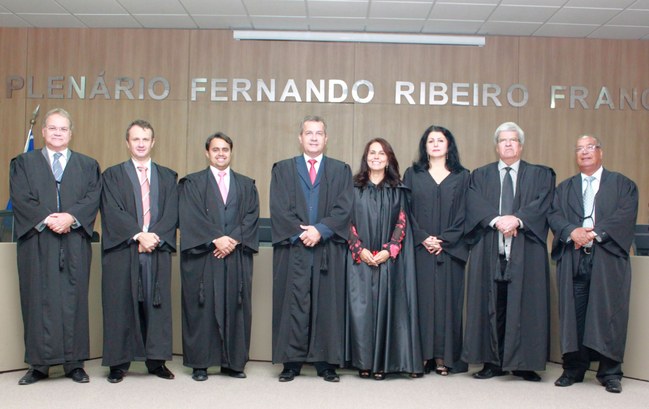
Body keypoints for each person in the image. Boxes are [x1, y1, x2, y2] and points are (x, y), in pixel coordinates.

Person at [10, 108, 101, 385]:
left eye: (63, 129)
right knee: (37, 300)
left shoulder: (88, 165)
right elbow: (21, 197)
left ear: (71, 133)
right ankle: (38, 365)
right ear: (43, 132)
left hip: (73, 241)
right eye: (52, 128)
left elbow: (92, 197)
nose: (58, 133)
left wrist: (70, 218)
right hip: (37, 241)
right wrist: (49, 219)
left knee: (74, 300)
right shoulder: (23, 163)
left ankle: (74, 363)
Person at [462, 122, 555, 382]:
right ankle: (493, 362)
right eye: (503, 140)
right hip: (491, 248)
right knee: (493, 304)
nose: (508, 144)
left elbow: (543, 202)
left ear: (521, 145)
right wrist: (496, 220)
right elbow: (474, 203)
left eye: (513, 140)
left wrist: (517, 219)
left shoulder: (540, 175)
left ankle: (524, 363)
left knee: (524, 305)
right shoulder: (480, 175)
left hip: (525, 249)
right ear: (496, 146)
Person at [549, 135, 638, 394]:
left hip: (607, 258)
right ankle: (573, 368)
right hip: (574, 259)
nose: (585, 152)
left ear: (601, 152)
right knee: (573, 315)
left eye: (590, 147)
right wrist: (571, 231)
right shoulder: (564, 188)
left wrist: (593, 233)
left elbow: (625, 214)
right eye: (579, 148)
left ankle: (610, 372)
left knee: (609, 313)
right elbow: (553, 215)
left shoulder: (623, 185)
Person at [270, 115, 353, 382]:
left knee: (326, 304)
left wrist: (321, 230)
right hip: (294, 249)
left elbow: (344, 208)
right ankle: (291, 363)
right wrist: (301, 233)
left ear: (326, 139)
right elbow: (279, 207)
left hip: (327, 248)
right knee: (292, 303)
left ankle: (325, 362)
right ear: (300, 137)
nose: (314, 137)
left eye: (319, 133)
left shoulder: (341, 170)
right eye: (309, 133)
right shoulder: (282, 169)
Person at [100, 119, 178, 383]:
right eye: (136, 139)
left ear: (153, 142)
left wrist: (153, 237)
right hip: (125, 249)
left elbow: (171, 213)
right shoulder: (112, 175)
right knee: (121, 304)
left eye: (145, 139)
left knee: (156, 305)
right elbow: (112, 211)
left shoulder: (168, 176)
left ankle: (156, 362)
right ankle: (118, 363)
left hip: (156, 248)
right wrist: (138, 234)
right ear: (127, 143)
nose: (141, 144)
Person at [178, 132, 259, 381]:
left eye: (225, 149)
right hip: (203, 256)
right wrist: (216, 238)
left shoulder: (246, 184)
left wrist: (232, 240)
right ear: (207, 152)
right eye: (216, 149)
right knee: (202, 308)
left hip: (235, 256)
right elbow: (188, 216)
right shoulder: (191, 183)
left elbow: (251, 216)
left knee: (236, 306)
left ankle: (233, 364)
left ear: (231, 152)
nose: (221, 153)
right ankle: (201, 364)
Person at [346, 138, 422, 380]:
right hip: (360, 259)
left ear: (389, 158)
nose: (376, 156)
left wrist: (389, 249)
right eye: (372, 152)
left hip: (389, 260)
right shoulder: (352, 188)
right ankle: (364, 362)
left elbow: (403, 222)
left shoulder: (398, 190)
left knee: (389, 308)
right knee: (362, 310)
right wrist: (359, 249)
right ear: (365, 157)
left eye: (381, 153)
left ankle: (383, 363)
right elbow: (345, 221)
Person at [403, 126, 469, 376]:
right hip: (420, 249)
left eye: (440, 140)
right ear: (425, 146)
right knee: (421, 302)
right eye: (431, 140)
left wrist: (444, 240)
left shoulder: (463, 176)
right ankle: (421, 355)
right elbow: (405, 211)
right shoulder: (413, 174)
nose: (436, 144)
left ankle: (444, 356)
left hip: (450, 250)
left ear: (449, 145)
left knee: (447, 302)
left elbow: (466, 213)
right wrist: (422, 237)